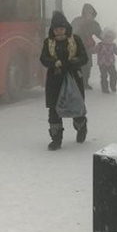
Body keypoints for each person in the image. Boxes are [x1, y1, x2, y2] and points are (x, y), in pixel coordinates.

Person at [39, 11, 89, 151]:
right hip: (54, 81)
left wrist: (72, 63)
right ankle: (56, 139)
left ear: (66, 28)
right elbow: (43, 59)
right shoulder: (47, 42)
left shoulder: (76, 40)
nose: (59, 32)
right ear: (52, 30)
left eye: (61, 29)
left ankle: (81, 127)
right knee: (54, 110)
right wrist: (54, 62)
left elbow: (84, 58)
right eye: (56, 29)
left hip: (73, 79)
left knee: (76, 107)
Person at [71, 3, 102, 90]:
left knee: (87, 66)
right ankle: (77, 82)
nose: (89, 14)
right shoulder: (77, 21)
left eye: (90, 12)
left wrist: (108, 38)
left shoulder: (94, 24)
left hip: (87, 48)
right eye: (87, 12)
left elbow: (100, 34)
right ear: (83, 12)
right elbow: (71, 33)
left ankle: (84, 82)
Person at [94, 28, 117, 93]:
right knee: (104, 76)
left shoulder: (113, 45)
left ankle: (113, 85)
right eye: (107, 37)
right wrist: (89, 50)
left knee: (114, 75)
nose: (109, 39)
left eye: (111, 38)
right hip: (102, 63)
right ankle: (105, 88)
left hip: (111, 63)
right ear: (103, 37)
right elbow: (94, 50)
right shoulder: (100, 45)